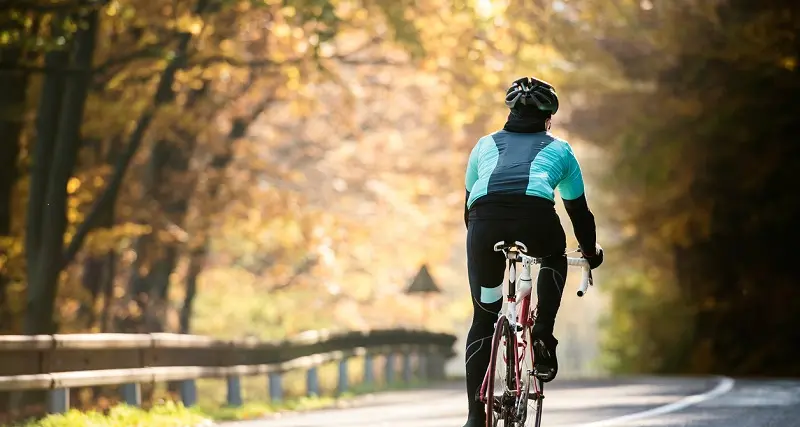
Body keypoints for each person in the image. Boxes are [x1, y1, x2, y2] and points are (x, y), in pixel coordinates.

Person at [462, 76, 604, 427]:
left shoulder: (483, 145)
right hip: (534, 218)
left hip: (484, 222)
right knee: (554, 256)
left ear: (510, 111)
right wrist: (590, 252)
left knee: (483, 317)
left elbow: (468, 205)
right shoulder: (560, 150)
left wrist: (484, 248)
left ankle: (473, 419)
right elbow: (579, 213)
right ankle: (542, 333)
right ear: (548, 118)